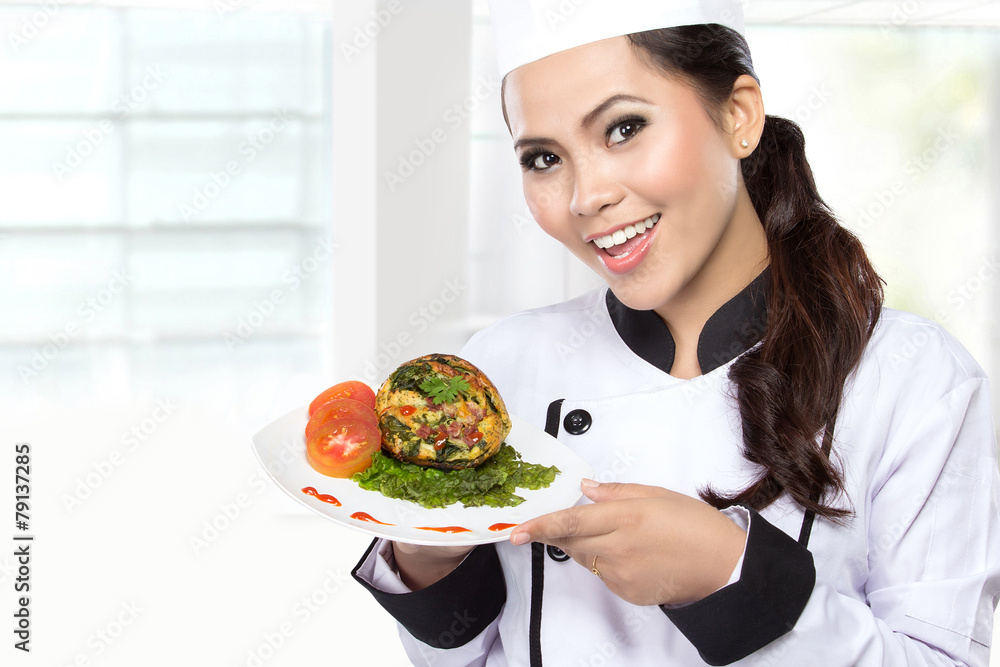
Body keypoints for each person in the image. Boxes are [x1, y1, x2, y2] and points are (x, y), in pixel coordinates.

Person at [353, 1, 1000, 664]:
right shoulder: (503, 366)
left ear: (739, 114)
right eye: (544, 158)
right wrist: (426, 555)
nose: (585, 196)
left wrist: (729, 574)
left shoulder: (915, 380)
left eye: (623, 127)